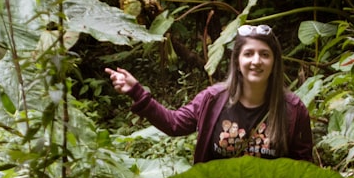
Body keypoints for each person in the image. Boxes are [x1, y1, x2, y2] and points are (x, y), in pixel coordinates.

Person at [106, 24, 315, 164]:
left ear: (274, 62)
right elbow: (174, 124)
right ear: (237, 61)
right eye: (249, 54)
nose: (256, 61)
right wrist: (137, 92)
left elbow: (304, 169)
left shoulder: (293, 110)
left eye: (265, 55)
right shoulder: (213, 99)